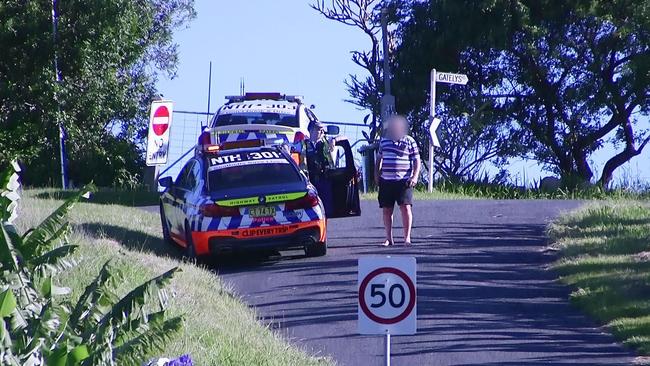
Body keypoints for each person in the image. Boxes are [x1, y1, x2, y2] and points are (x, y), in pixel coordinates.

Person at [375, 115, 421, 246]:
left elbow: (417, 160)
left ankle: (407, 238)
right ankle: (388, 238)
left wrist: (415, 176)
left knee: (405, 208)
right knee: (386, 209)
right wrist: (376, 175)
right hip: (386, 180)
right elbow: (379, 159)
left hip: (404, 181)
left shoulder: (409, 141)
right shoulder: (384, 141)